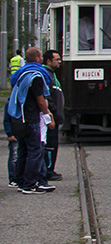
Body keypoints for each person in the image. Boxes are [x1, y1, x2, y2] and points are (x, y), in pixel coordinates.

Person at [6, 47, 55, 194]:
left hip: (18, 118)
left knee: (23, 150)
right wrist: (47, 113)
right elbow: (40, 100)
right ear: (38, 58)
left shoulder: (21, 74)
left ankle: (20, 181)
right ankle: (30, 184)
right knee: (35, 151)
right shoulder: (36, 76)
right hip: (31, 118)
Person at [42, 49, 64, 181]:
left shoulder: (51, 74)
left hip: (54, 115)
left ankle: (49, 169)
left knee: (52, 143)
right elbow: (47, 96)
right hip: (51, 117)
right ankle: (48, 170)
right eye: (57, 60)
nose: (59, 62)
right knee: (50, 144)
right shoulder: (46, 75)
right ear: (48, 61)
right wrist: (54, 111)